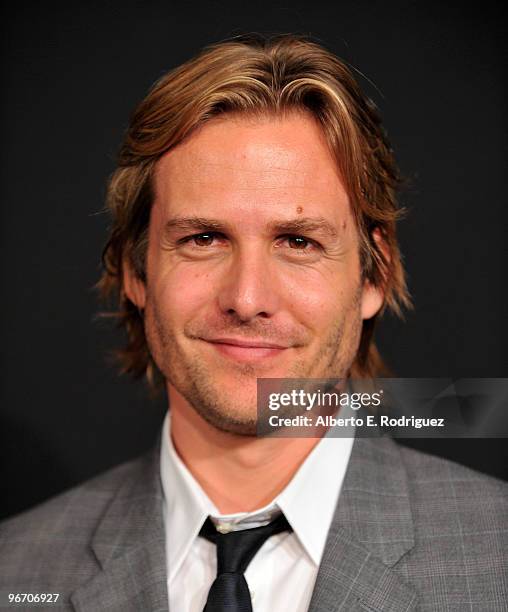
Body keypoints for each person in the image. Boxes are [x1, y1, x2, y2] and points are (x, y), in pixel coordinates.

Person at [0, 34, 506, 612]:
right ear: (134, 271)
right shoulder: (15, 573)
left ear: (375, 276)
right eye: (203, 238)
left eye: (298, 241)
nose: (246, 298)